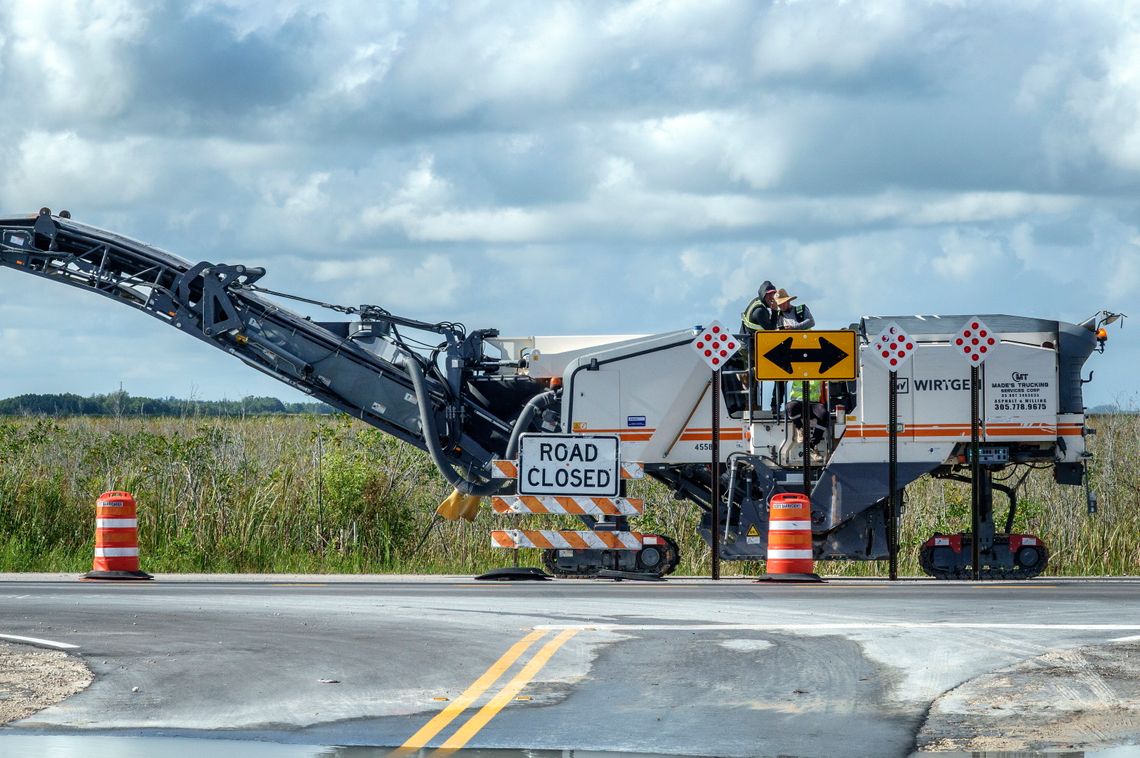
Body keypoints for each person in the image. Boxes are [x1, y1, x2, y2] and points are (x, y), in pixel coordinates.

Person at [787, 379, 828, 452]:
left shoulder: (819, 372)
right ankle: (800, 429)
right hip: (797, 402)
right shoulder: (796, 370)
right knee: (791, 407)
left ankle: (813, 443)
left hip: (813, 403)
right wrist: (774, 403)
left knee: (823, 414)